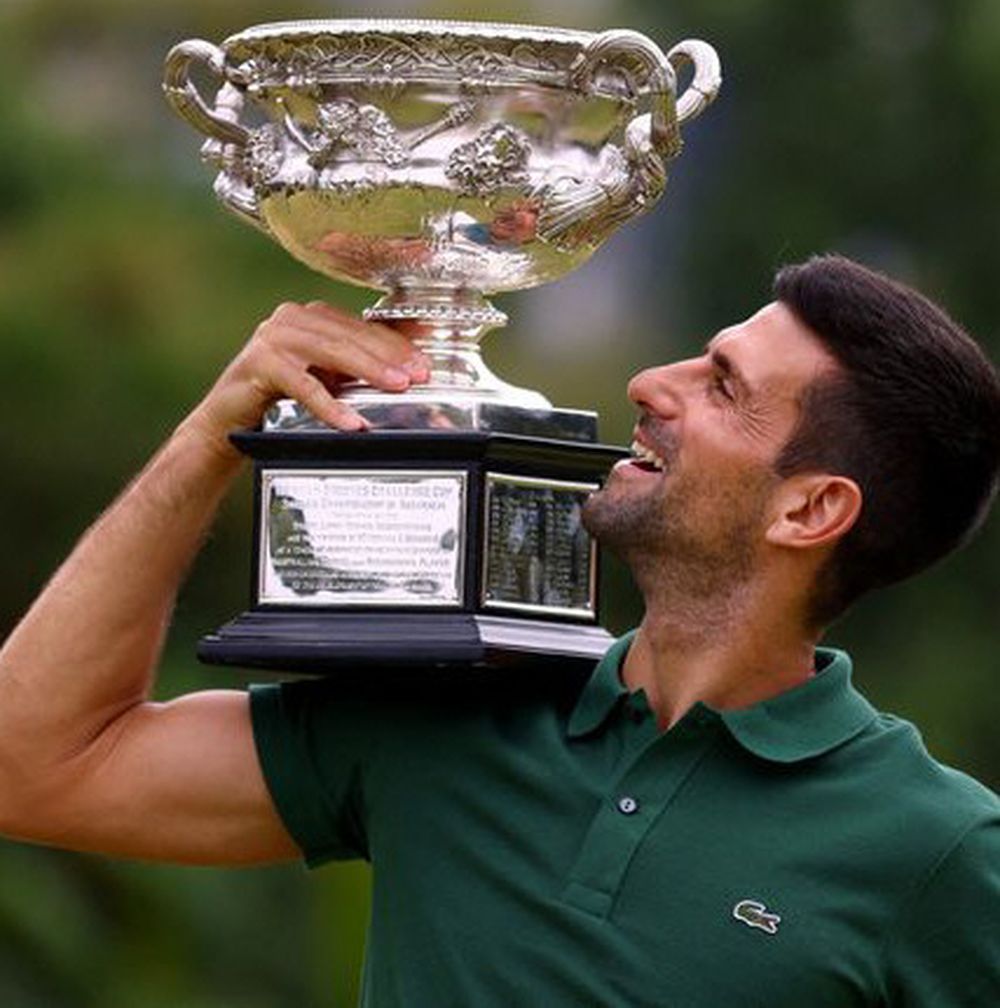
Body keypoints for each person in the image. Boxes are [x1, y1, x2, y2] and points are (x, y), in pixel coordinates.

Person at [0, 254, 998, 1005]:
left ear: (810, 511)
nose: (654, 383)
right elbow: (28, 764)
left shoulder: (938, 850)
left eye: (720, 386)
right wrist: (211, 438)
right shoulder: (442, 711)